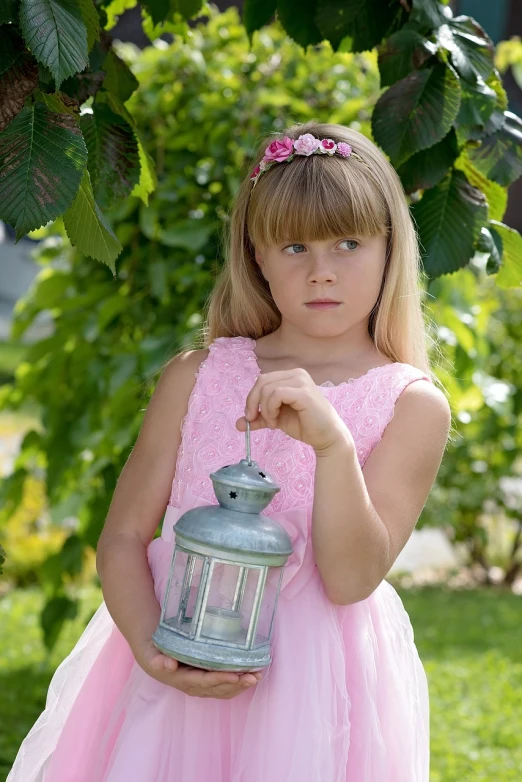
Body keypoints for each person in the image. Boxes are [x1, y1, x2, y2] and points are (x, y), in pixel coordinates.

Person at [8, 121, 452, 781]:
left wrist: (331, 445)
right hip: (174, 673)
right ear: (257, 254)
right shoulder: (198, 376)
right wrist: (154, 651)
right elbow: (124, 536)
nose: (321, 271)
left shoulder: (410, 404)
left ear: (389, 249)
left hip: (314, 698)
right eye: (294, 245)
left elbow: (352, 578)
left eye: (348, 243)